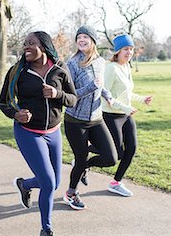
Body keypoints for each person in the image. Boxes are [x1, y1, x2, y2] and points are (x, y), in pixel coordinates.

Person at [0, 31, 77, 236]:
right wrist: (16, 114)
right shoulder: (18, 71)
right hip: (28, 133)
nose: (26, 47)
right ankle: (46, 228)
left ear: (43, 46)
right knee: (49, 182)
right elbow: (3, 101)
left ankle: (24, 185)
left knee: (54, 182)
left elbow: (73, 98)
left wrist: (57, 94)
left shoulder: (60, 68)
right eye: (25, 44)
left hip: (53, 132)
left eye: (31, 43)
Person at [62, 25, 117, 210]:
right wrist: (91, 88)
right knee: (80, 157)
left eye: (86, 37)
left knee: (111, 157)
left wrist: (107, 95)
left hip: (96, 118)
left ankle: (85, 166)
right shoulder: (72, 64)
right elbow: (69, 95)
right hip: (75, 121)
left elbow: (99, 85)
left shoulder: (100, 62)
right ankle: (71, 193)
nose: (82, 40)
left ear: (93, 41)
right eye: (79, 37)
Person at [102, 34, 153, 197]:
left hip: (126, 114)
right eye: (126, 49)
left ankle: (116, 183)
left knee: (131, 149)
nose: (129, 52)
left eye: (131, 49)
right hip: (111, 115)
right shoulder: (111, 68)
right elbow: (106, 95)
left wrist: (142, 99)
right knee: (116, 153)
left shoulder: (126, 67)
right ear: (117, 51)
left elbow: (127, 92)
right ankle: (83, 162)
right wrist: (124, 107)